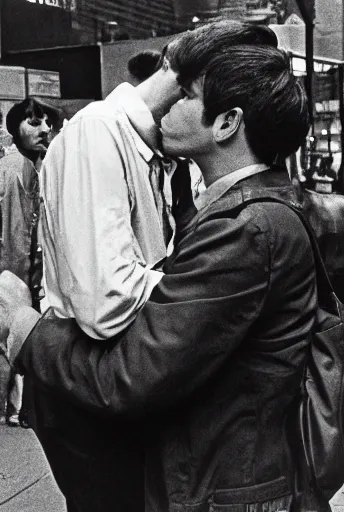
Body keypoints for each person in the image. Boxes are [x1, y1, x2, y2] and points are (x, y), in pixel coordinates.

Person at [4, 41, 316, 512]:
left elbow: (129, 375)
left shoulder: (247, 230)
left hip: (225, 489)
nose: (168, 106)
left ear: (227, 123)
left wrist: (22, 326)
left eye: (186, 96)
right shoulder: (246, 213)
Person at [0, 98, 53, 429]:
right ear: (13, 129)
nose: (44, 129)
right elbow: (14, 237)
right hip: (11, 278)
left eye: (46, 122)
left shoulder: (41, 166)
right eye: (34, 122)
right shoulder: (9, 172)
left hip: (30, 278)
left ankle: (18, 408)